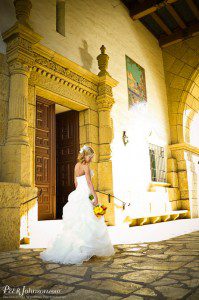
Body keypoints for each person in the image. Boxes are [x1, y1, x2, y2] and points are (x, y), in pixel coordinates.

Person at [39, 145, 115, 265]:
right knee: (89, 220)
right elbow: (89, 182)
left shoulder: (76, 166)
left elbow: (75, 182)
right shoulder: (86, 165)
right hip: (86, 193)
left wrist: (82, 190)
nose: (91, 159)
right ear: (86, 155)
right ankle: (86, 249)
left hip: (78, 193)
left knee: (79, 222)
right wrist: (94, 195)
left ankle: (79, 247)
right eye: (91, 156)